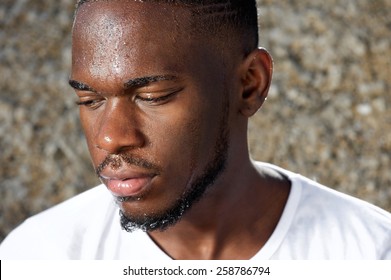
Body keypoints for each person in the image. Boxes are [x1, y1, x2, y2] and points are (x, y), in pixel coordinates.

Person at [0, 0, 390, 260]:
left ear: (249, 84)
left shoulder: (370, 253)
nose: (109, 137)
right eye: (90, 100)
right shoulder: (39, 256)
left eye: (152, 95)